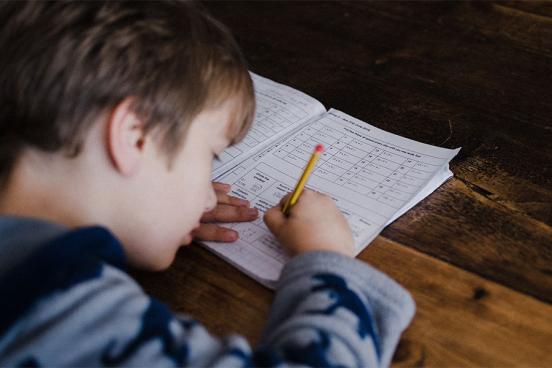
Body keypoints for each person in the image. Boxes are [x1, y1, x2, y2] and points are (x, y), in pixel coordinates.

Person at [0, 1, 414, 367]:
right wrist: (328, 261)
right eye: (210, 156)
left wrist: (142, 215)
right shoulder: (61, 312)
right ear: (135, 137)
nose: (205, 196)